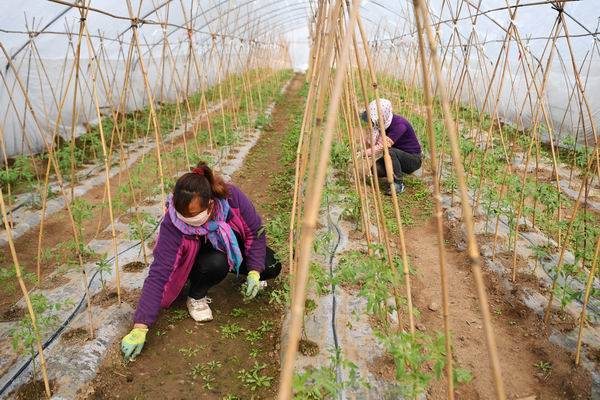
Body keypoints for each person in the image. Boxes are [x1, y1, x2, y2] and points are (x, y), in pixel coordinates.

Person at [121, 161, 281, 360]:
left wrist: (255, 271)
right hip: (200, 260)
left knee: (271, 264)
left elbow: (255, 232)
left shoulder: (231, 199)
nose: (187, 219)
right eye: (183, 214)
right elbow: (158, 274)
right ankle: (196, 295)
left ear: (210, 204)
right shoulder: (173, 223)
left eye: (194, 214)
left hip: (227, 245)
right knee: (216, 263)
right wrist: (140, 327)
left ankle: (249, 274)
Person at [360, 98, 422, 194]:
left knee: (389, 151)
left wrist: (363, 153)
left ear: (382, 116)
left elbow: (381, 147)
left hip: (413, 159)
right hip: (396, 156)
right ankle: (397, 171)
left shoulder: (399, 125)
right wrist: (363, 148)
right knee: (376, 170)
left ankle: (398, 184)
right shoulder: (381, 125)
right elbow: (371, 143)